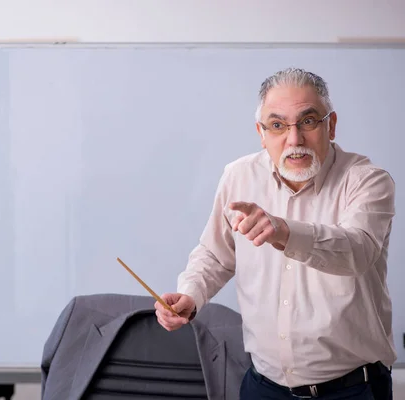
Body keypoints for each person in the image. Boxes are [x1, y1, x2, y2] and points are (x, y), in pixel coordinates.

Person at [155, 67, 396, 399]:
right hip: (262, 386)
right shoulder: (238, 176)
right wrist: (191, 294)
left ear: (332, 125)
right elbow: (215, 254)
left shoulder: (367, 181)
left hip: (353, 388)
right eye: (278, 125)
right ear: (261, 132)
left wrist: (286, 232)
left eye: (308, 122)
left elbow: (358, 251)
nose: (294, 139)